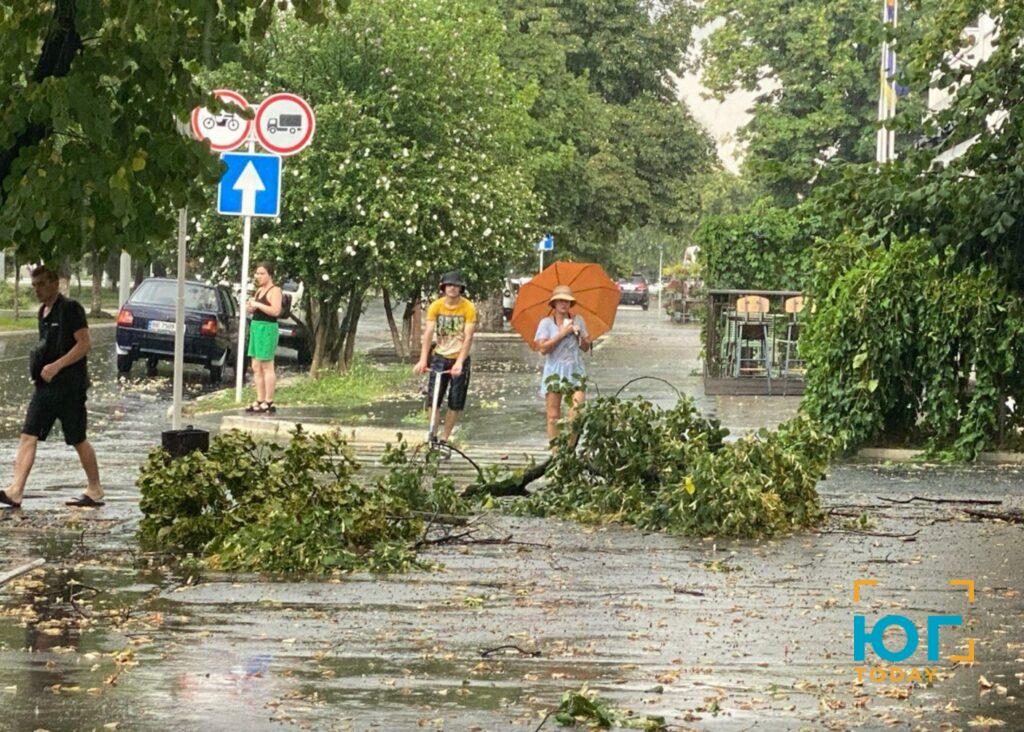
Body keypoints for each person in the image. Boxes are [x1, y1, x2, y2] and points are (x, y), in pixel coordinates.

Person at [1, 266, 104, 509]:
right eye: (34, 284)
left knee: (77, 438)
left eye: (41, 284)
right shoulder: (42, 312)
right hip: (45, 387)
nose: (36, 289)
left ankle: (95, 488)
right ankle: (15, 490)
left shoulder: (71, 309)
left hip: (70, 387)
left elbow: (84, 344)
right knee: (28, 434)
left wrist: (57, 366)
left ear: (54, 283)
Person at [413, 271, 476, 443]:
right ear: (443, 287)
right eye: (449, 285)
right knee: (433, 399)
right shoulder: (436, 306)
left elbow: (469, 336)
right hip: (439, 356)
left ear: (461, 289)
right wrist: (423, 359)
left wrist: (460, 362)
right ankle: (432, 432)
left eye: (456, 286)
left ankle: (445, 438)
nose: (452, 288)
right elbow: (428, 333)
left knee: (455, 401)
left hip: (459, 357)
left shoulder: (468, 307)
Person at [533, 285, 591, 443]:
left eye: (567, 301)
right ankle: (556, 453)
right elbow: (543, 348)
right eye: (560, 301)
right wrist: (562, 334)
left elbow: (586, 347)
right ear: (554, 303)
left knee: (577, 412)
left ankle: (570, 449)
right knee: (553, 415)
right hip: (554, 371)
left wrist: (578, 335)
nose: (564, 304)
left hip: (576, 370)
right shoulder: (546, 323)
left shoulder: (578, 320)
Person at [245, 262, 283, 414]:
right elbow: (254, 308)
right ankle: (260, 398)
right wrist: (251, 307)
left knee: (267, 365)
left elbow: (275, 311)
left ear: (270, 274)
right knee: (256, 366)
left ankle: (269, 400)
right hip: (256, 327)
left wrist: (258, 306)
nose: (258, 277)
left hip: (267, 329)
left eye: (262, 273)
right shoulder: (259, 290)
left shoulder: (275, 291)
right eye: (257, 273)